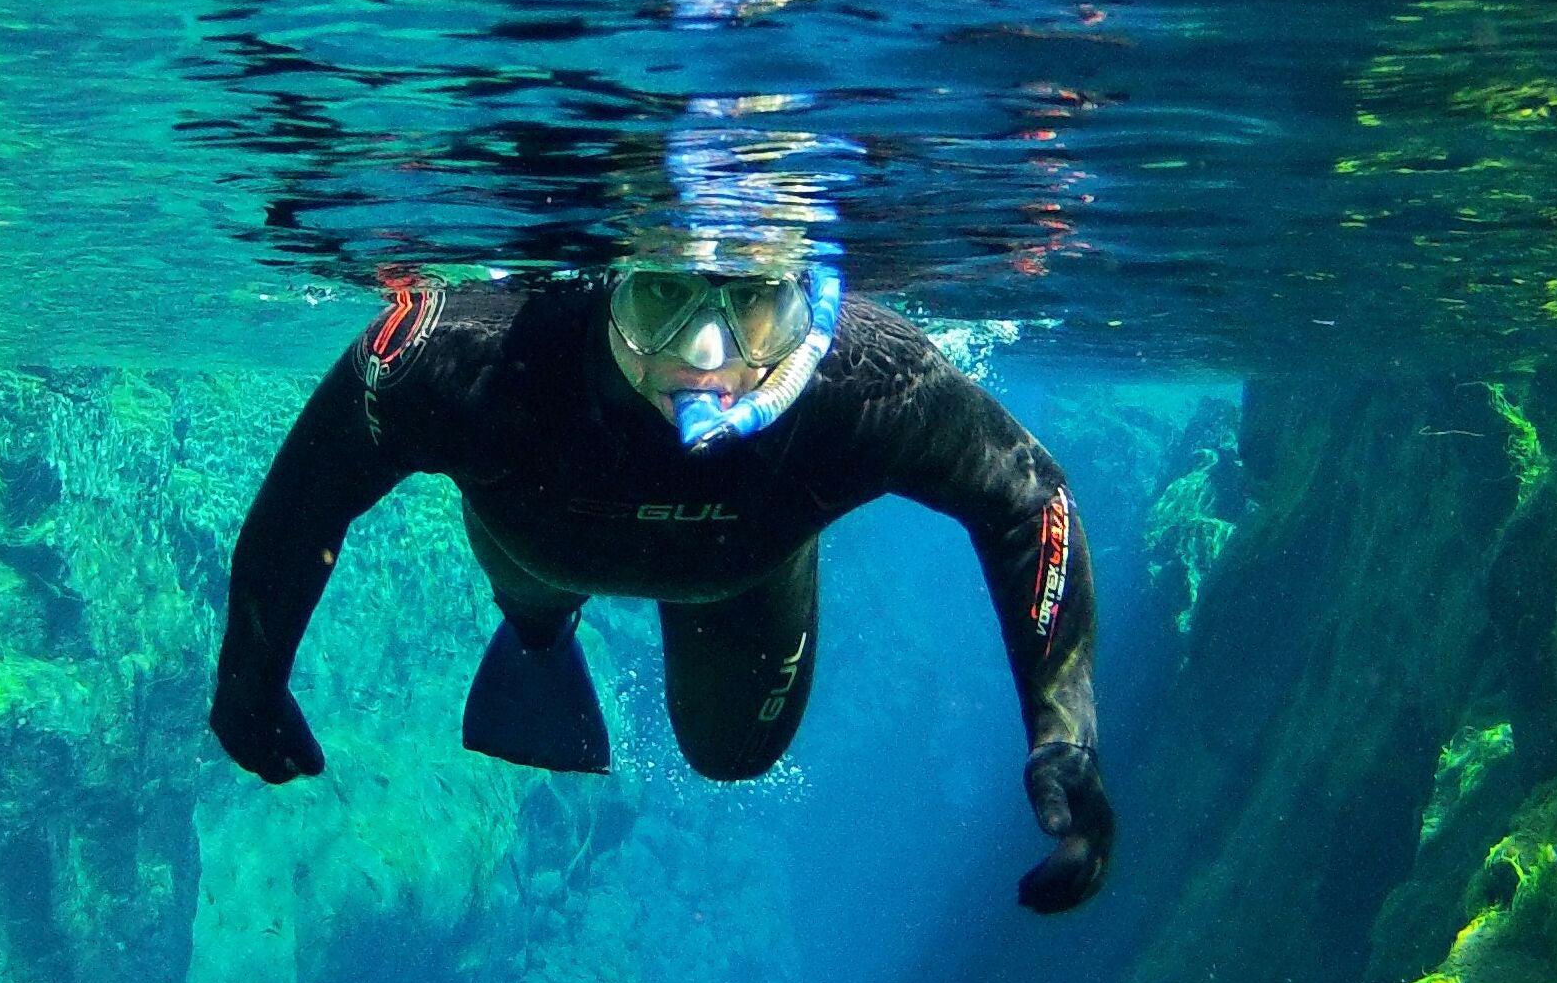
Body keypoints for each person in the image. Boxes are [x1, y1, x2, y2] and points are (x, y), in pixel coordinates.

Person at [206, 251, 1115, 913]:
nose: (706, 357)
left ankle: (549, 623)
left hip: (729, 570)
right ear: (609, 281)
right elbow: (308, 493)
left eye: (755, 302)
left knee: (732, 755)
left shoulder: (866, 383)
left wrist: (1065, 731)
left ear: (807, 301)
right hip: (559, 549)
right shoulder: (461, 354)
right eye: (665, 298)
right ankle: (541, 634)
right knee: (533, 596)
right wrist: (249, 667)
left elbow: (1028, 499)